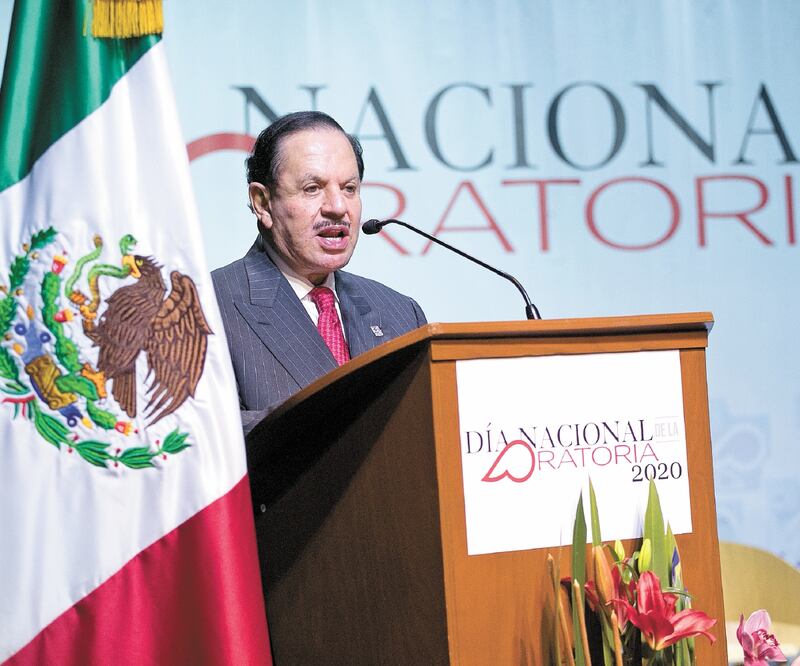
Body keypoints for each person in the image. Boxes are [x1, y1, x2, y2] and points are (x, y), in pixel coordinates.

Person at [212, 111, 427, 436]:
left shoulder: (400, 313)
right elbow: (199, 441)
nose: (338, 207)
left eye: (350, 188)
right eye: (313, 188)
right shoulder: (206, 306)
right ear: (262, 202)